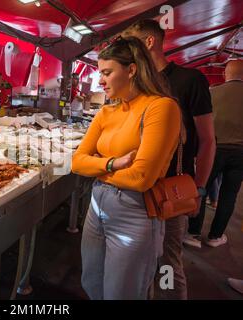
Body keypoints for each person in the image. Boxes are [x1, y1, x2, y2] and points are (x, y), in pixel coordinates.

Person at [71, 37, 181, 299]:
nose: (101, 80)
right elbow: (76, 161)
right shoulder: (106, 113)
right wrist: (112, 163)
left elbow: (141, 177)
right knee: (92, 283)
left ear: (131, 70)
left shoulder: (161, 107)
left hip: (135, 211)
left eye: (107, 73)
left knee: (123, 292)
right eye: (100, 73)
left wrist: (96, 167)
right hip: (97, 205)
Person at [123, 19, 216, 299]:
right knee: (137, 262)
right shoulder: (132, 83)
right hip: (134, 187)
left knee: (167, 264)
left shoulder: (190, 81)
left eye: (131, 43)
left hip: (170, 190)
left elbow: (208, 140)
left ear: (148, 42)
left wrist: (198, 188)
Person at [187, 60, 243, 247]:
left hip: (214, 149)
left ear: (226, 74)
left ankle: (193, 234)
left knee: (201, 189)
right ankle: (215, 236)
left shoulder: (212, 93)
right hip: (240, 153)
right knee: (229, 195)